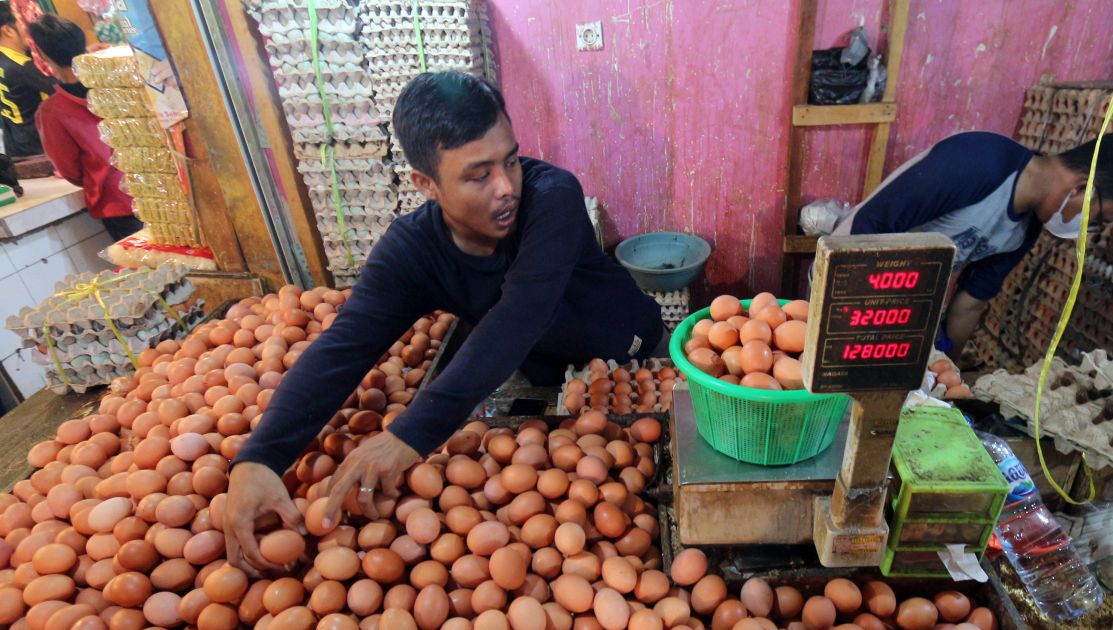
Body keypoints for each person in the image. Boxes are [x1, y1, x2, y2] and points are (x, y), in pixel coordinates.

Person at [223, 71, 664, 575]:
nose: (506, 187)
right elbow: (344, 346)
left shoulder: (552, 197)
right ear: (426, 184)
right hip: (550, 383)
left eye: (511, 160)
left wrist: (409, 435)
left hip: (633, 354)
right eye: (479, 175)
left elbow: (521, 314)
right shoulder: (412, 250)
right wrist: (261, 456)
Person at [833, 129, 1113, 358]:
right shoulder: (977, 162)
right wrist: (860, 333)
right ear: (1083, 186)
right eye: (1098, 219)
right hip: (846, 287)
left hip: (902, 312)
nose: (1087, 229)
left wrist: (948, 367)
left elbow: (970, 303)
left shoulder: (1025, 228)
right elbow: (864, 232)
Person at [28, 15, 141, 242]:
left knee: (153, 275)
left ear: (44, 55)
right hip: (157, 189)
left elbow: (69, 170)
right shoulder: (120, 84)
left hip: (116, 202)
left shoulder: (52, 112)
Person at [0, 1, 53, 157]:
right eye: (21, 23)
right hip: (36, 150)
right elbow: (61, 90)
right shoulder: (21, 66)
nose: (27, 30)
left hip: (16, 147)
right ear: (8, 30)